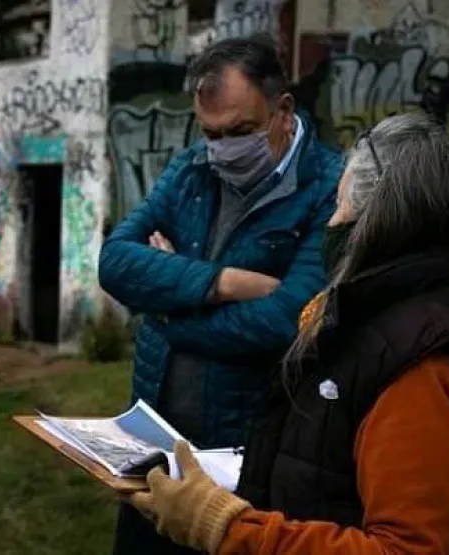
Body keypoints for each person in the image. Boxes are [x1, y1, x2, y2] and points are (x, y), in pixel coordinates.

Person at [126, 113, 449, 555]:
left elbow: (404, 549)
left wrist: (227, 529)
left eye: (339, 207)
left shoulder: (419, 361)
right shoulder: (373, 316)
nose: (330, 225)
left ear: (375, 221)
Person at [98, 35, 343, 555]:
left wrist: (164, 308)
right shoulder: (192, 168)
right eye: (212, 134)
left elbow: (286, 318)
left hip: (248, 457)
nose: (224, 149)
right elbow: (114, 262)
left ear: (283, 110)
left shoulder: (330, 186)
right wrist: (222, 283)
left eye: (241, 131)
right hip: (153, 445)